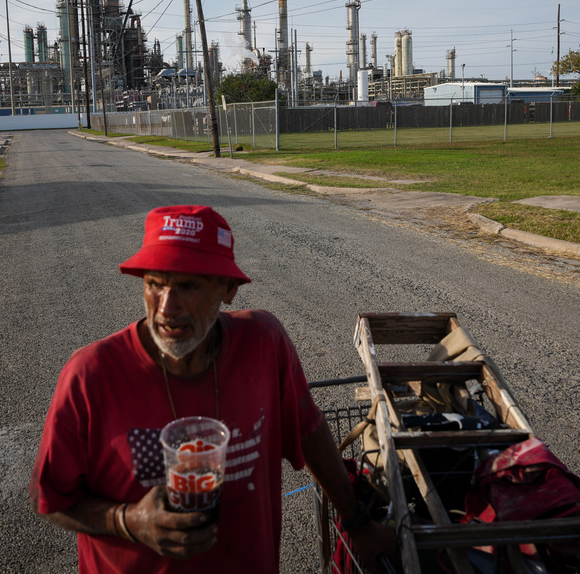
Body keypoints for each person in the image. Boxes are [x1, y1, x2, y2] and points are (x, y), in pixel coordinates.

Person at [30, 204, 395, 573]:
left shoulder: (264, 343)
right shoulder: (90, 375)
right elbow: (51, 498)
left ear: (229, 289)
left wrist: (358, 522)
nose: (166, 308)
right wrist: (130, 521)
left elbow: (308, 429)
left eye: (188, 285)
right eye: (154, 283)